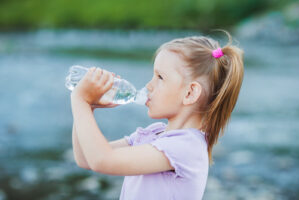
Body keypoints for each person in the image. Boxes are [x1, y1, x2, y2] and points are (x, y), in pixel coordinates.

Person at [70, 31, 244, 200]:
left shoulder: (186, 147)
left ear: (190, 93)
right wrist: (89, 107)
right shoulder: (154, 134)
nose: (149, 86)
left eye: (160, 77)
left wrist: (80, 101)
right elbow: (85, 159)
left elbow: (102, 160)